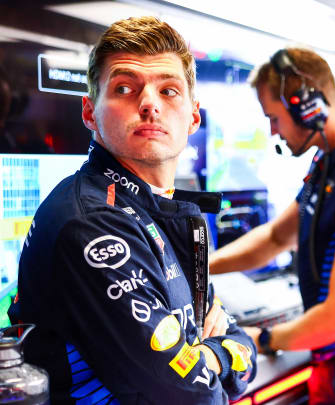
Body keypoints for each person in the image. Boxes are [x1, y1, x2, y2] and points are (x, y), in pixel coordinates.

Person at [9, 16, 256, 404]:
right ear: (90, 113)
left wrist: (215, 353)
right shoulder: (92, 222)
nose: (149, 104)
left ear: (193, 116)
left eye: (169, 91)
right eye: (125, 88)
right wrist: (224, 355)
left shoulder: (156, 209)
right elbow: (194, 394)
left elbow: (232, 335)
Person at [209, 47, 335, 404]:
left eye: (274, 117)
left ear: (307, 106)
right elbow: (277, 236)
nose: (273, 131)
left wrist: (262, 339)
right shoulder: (331, 160)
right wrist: (200, 267)